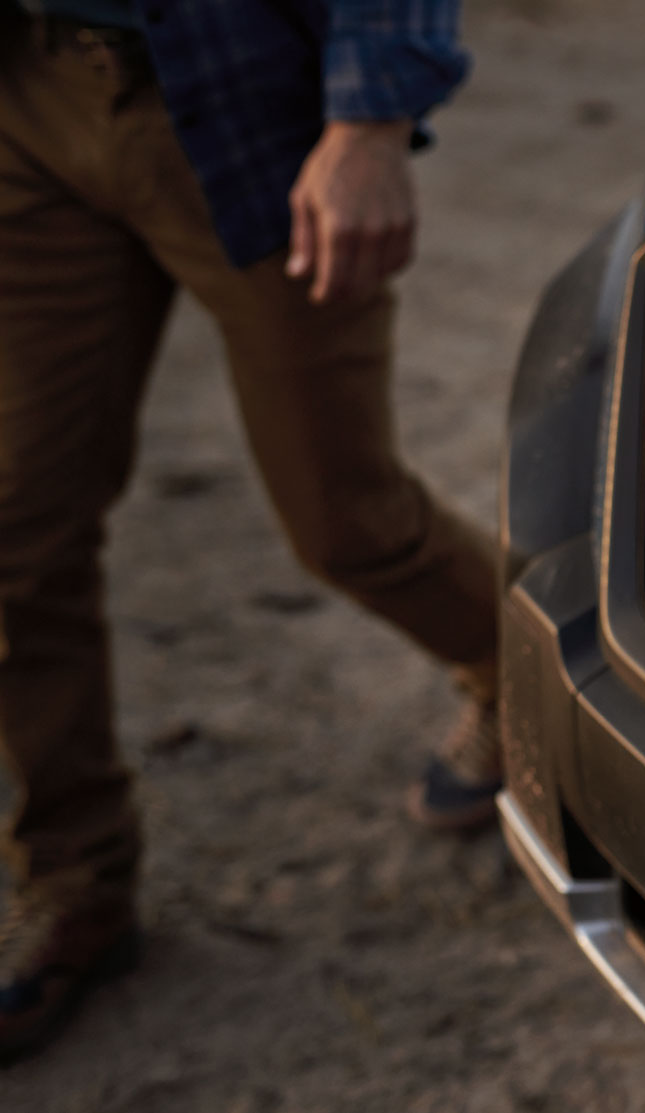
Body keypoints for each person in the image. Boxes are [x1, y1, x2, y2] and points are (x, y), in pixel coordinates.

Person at [0, 0, 505, 1062]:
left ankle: (531, 679)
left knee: (348, 525)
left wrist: (368, 122)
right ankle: (75, 885)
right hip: (28, 91)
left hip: (237, 95)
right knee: (17, 532)